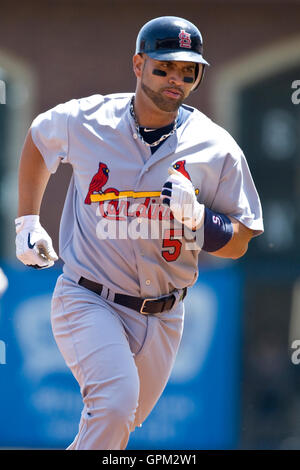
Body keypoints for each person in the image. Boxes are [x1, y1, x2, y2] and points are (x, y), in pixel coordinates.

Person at [15, 16, 263, 450]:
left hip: (165, 315)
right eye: (163, 67)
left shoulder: (216, 146)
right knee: (113, 407)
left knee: (113, 431)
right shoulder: (89, 119)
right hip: (88, 296)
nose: (176, 79)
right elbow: (38, 138)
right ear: (138, 64)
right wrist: (28, 222)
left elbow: (241, 240)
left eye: (188, 71)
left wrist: (199, 219)